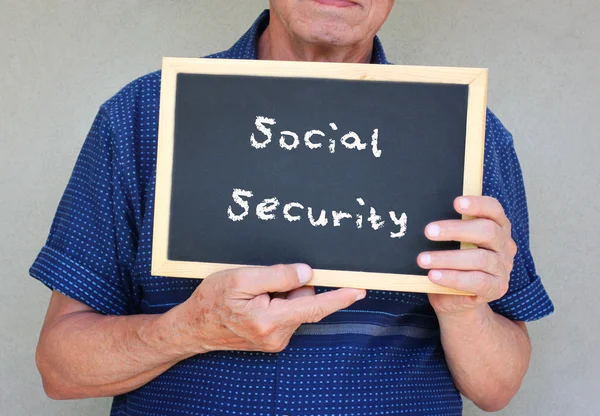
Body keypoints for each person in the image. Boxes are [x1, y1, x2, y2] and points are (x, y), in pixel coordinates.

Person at [30, 2, 554, 415]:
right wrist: (191, 328)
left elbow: (498, 388)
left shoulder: (469, 136)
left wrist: (462, 308)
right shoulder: (144, 116)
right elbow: (60, 367)